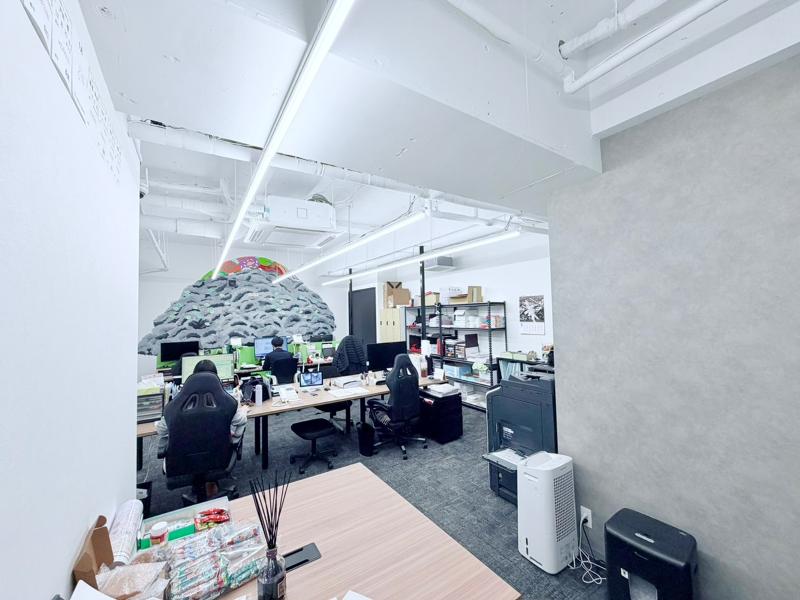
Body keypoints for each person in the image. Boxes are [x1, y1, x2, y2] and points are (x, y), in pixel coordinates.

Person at [156, 359, 247, 475]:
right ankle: (210, 481)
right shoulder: (226, 403)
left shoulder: (177, 404)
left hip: (181, 462)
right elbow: (242, 420)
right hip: (218, 458)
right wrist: (234, 439)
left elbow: (161, 430)